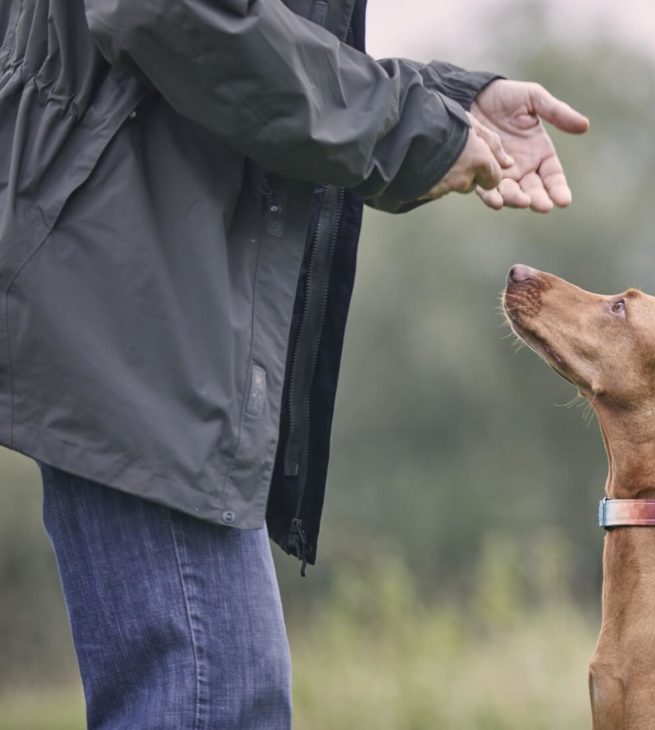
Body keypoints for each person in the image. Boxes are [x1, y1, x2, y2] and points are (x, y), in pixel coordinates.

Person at [0, 1, 588, 727]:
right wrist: (410, 127)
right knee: (210, 700)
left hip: (140, 286)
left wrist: (443, 102)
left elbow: (247, 29)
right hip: (140, 301)